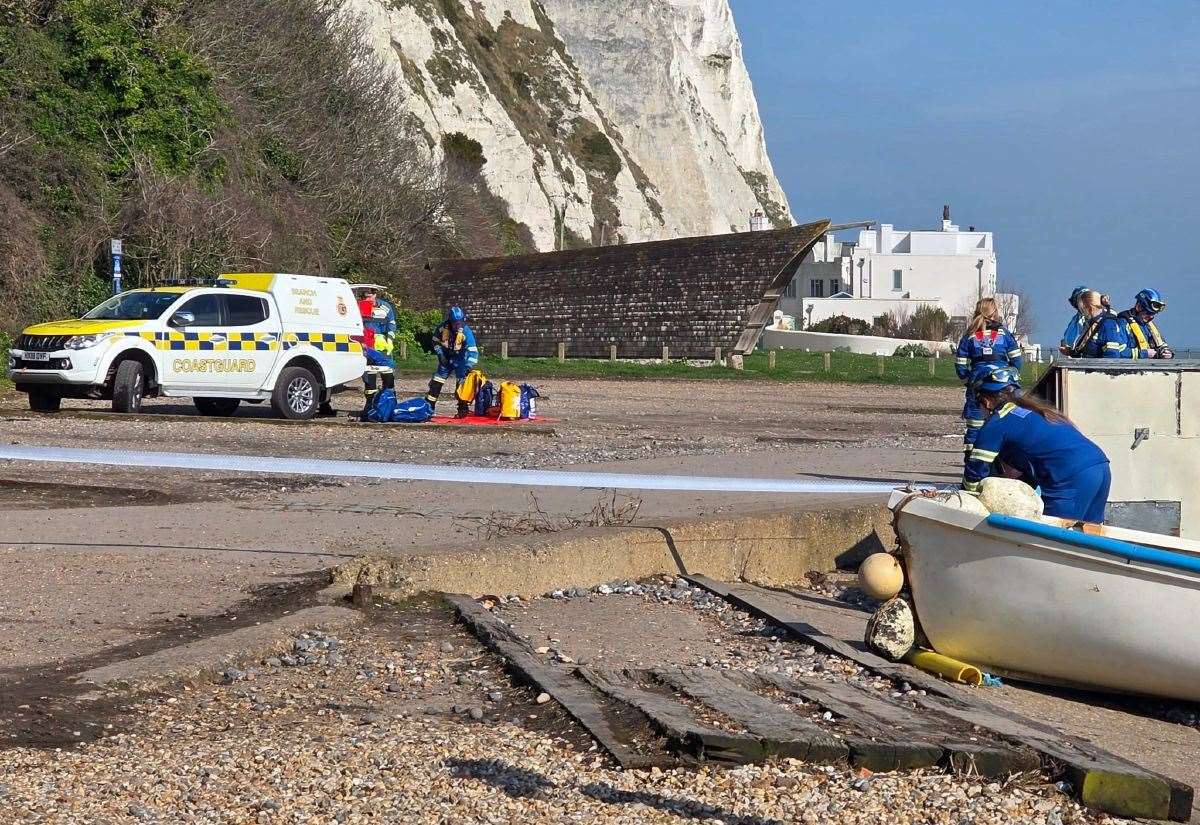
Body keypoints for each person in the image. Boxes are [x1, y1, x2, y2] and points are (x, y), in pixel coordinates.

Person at [962, 364, 1111, 522]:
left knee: (1052, 538)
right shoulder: (1036, 412)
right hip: (1100, 467)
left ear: (986, 401)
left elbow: (976, 471)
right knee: (1090, 534)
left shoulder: (997, 423)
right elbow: (1032, 468)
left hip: (1069, 478)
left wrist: (968, 503)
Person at [955, 297, 1023, 463]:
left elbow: (960, 364)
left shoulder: (969, 336)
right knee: (1005, 419)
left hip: (977, 384)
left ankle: (972, 462)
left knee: (975, 426)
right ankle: (1002, 461)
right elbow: (1017, 360)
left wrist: (967, 378)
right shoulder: (1004, 334)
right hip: (1002, 385)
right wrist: (1011, 374)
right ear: (995, 313)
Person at [425, 306, 479, 417]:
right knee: (436, 382)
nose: (457, 325)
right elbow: (435, 341)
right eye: (455, 323)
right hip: (446, 358)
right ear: (450, 321)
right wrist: (440, 354)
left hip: (461, 360)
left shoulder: (466, 332)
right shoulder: (441, 329)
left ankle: (462, 410)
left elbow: (473, 351)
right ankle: (428, 409)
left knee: (461, 385)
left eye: (459, 323)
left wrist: (469, 365)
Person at [1070, 290, 1129, 358]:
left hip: (1099, 367)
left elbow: (1112, 355)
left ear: (1090, 308)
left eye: (1082, 309)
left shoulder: (1108, 324)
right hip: (1091, 366)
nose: (1082, 313)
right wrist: (1071, 352)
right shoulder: (1095, 322)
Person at [1117, 288, 1172, 360]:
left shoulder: (1148, 325)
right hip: (1130, 368)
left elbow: (1161, 344)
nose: (1151, 317)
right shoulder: (1123, 322)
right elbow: (1118, 351)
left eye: (1153, 314)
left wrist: (1166, 352)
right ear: (1139, 307)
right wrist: (1144, 354)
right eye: (1148, 313)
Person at [1058, 285, 1090, 356]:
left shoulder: (1098, 318)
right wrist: (1066, 347)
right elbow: (1068, 339)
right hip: (1076, 359)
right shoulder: (1075, 319)